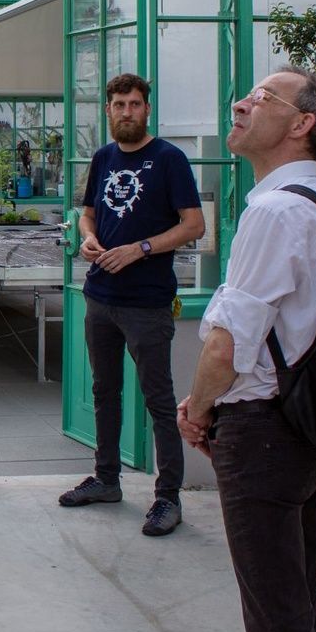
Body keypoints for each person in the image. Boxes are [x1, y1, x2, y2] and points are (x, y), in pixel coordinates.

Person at [177, 66, 316, 632]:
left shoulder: (277, 211)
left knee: (277, 626)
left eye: (263, 97)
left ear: (303, 124)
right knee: (300, 606)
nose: (242, 104)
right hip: (310, 423)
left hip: (264, 432)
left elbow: (228, 344)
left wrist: (199, 408)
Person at [60, 73, 204, 537]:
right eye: (119, 104)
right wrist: (88, 238)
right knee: (105, 392)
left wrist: (140, 249)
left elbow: (194, 225)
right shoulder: (103, 157)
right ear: (108, 110)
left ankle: (168, 498)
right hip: (100, 296)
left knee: (158, 399)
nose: (127, 112)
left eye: (135, 104)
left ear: (147, 109)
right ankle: (106, 479)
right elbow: (88, 214)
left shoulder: (169, 159)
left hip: (147, 302)